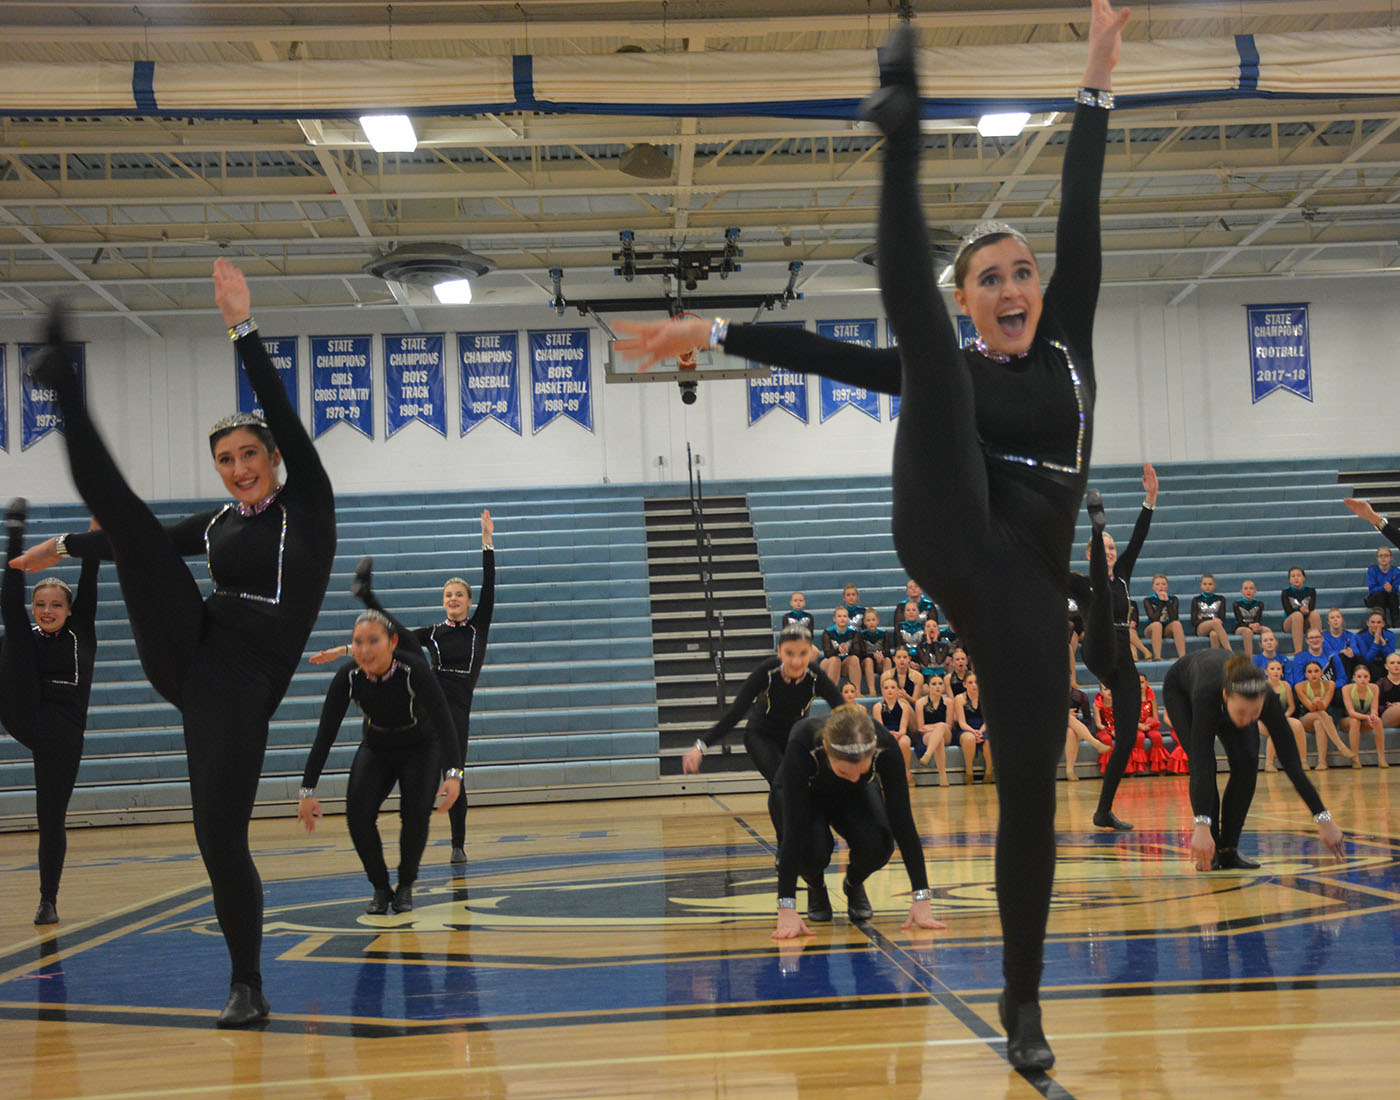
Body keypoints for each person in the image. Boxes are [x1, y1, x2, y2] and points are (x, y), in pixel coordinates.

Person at [615, 0, 1129, 1068]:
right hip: (947, 533)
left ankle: (1022, 1004)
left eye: (1017, 272)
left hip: (1028, 592)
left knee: (1029, 791)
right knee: (925, 359)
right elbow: (816, 350)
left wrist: (1096, 71)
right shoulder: (953, 361)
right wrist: (706, 329)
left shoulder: (1068, 347)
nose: (1010, 286)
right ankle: (901, 136)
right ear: (972, 295)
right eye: (986, 276)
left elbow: (1079, 204)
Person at [11, 261, 337, 1028]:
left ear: (274, 461)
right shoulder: (221, 524)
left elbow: (284, 414)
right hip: (188, 651)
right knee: (123, 525)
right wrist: (62, 544)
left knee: (218, 840)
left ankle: (247, 986)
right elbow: (150, 543)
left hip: (240, 684)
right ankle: (63, 386)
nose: (238, 472)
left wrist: (242, 326)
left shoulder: (309, 506)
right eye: (226, 462)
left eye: (249, 457)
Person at [311, 514, 495, 866]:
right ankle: (368, 598)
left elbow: (491, 584)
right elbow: (390, 645)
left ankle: (458, 843)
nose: (453, 598)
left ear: (469, 602)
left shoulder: (477, 628)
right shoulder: (435, 631)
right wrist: (344, 651)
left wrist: (487, 542)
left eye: (459, 594)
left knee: (455, 772)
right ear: (443, 601)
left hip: (458, 706)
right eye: (448, 595)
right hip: (432, 696)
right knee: (407, 641)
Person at [298, 563, 462, 915]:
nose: (364, 649)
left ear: (392, 643)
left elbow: (446, 723)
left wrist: (453, 775)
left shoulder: (412, 669)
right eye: (357, 643)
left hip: (421, 747)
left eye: (373, 641)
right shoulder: (348, 677)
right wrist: (307, 791)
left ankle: (405, 886)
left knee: (414, 816)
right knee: (357, 815)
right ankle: (379, 887)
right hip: (378, 747)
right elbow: (325, 734)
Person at [0, 501, 100, 926]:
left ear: (69, 609)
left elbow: (90, 574)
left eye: (55, 605)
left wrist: (97, 529)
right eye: (40, 603)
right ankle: (15, 528)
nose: (46, 610)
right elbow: (11, 596)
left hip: (62, 729)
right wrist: (17, 534)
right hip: (25, 713)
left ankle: (47, 899)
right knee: (12, 637)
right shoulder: (29, 632)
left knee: (50, 816)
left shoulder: (82, 631)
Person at [768, 706, 946, 936]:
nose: (853, 778)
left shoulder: (885, 745)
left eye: (861, 771)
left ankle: (853, 883)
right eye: (845, 772)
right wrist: (786, 907)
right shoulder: (802, 740)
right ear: (827, 752)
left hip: (852, 797)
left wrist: (922, 897)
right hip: (804, 794)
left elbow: (903, 822)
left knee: (880, 842)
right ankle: (815, 883)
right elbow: (792, 832)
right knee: (810, 850)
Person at [1164, 651, 1345, 873]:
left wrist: (1323, 818)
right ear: (1225, 695)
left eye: (1254, 713)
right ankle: (1209, 847)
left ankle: (1228, 850)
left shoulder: (1265, 696)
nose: (1246, 720)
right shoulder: (1207, 694)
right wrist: (1201, 825)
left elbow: (1291, 764)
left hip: (1226, 694)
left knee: (1248, 763)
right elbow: (1201, 763)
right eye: (1241, 712)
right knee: (1205, 763)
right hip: (1182, 691)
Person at [1066, 462, 1157, 830]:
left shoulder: (1123, 575)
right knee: (1099, 592)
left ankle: (1103, 809)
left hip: (1122, 659)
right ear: (1090, 554)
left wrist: (1150, 497)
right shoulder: (1079, 582)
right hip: (1097, 647)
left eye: (1111, 545)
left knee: (1129, 737)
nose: (1109, 551)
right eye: (1102, 545)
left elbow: (1139, 537)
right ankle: (1095, 520)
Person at [683, 624, 844, 788]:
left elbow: (842, 710)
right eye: (789, 653)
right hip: (761, 736)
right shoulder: (767, 672)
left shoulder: (815, 676)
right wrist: (700, 746)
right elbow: (735, 713)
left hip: (795, 737)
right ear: (780, 651)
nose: (796, 661)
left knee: (810, 782)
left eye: (803, 654)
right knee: (783, 782)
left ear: (811, 652)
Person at [1293, 658, 1352, 770]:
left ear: (1322, 672)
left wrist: (1318, 702)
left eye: (1316, 671)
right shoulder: (1299, 686)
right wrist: (1315, 703)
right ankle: (1340, 746)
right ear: (1305, 674)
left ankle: (1322, 762)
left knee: (1319, 722)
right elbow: (1310, 708)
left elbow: (1324, 706)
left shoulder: (1330, 684)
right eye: (1309, 672)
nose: (1313, 674)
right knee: (1320, 715)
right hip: (1306, 719)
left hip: (1322, 717)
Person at [1261, 658, 1308, 773]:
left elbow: (1291, 706)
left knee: (1297, 724)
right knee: (1276, 728)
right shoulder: (1261, 686)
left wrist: (1284, 716)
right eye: (1272, 669)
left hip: (1282, 717)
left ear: (1282, 672)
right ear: (1266, 672)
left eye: (1278, 669)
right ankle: (1269, 763)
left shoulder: (1286, 685)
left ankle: (1302, 760)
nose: (1276, 671)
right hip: (1262, 720)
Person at [1339, 662, 1385, 770]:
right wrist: (1367, 717)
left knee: (1378, 721)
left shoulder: (1374, 688)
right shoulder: (1346, 689)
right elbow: (1351, 712)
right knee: (1355, 720)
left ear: (1369, 678)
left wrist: (1373, 715)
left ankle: (1381, 758)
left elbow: (1374, 708)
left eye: (1365, 677)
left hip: (1364, 719)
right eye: (1359, 677)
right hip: (1347, 721)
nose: (1362, 679)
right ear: (1354, 678)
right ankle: (1355, 759)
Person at [871, 676, 914, 782]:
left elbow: (903, 728)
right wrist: (889, 734)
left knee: (905, 742)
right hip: (884, 733)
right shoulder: (877, 707)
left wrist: (899, 734)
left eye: (892, 687)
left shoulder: (904, 706)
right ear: (882, 691)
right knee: (883, 743)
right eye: (886, 688)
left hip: (899, 733)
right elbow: (880, 727)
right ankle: (884, 775)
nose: (889, 690)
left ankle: (906, 772)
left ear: (898, 690)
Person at [1064, 682, 1109, 783]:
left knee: (1071, 731)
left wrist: (1075, 722)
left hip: (1075, 728)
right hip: (1055, 729)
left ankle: (1069, 771)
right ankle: (1095, 743)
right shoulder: (1051, 695)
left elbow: (1088, 720)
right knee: (1067, 717)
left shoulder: (1080, 696)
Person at [917, 671, 956, 785]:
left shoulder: (948, 702)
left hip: (947, 733)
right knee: (939, 739)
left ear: (944, 687)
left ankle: (928, 753)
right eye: (934, 684)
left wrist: (938, 727)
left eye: (940, 684)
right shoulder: (920, 703)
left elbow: (948, 725)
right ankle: (943, 777)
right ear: (928, 687)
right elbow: (920, 727)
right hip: (927, 736)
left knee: (942, 728)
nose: (937, 686)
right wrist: (938, 727)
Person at [954, 671, 992, 785]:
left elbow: (987, 720)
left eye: (976, 682)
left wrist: (980, 731)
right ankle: (969, 771)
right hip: (966, 728)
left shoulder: (985, 697)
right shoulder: (959, 698)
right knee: (969, 738)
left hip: (983, 727)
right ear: (964, 684)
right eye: (970, 682)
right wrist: (973, 732)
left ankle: (989, 771)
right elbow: (961, 722)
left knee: (988, 740)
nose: (974, 685)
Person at [1143, 574, 1187, 661]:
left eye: (1163, 584)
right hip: (1151, 629)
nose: (1161, 587)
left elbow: (1174, 618)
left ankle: (1183, 657)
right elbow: (1153, 618)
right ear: (1153, 587)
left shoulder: (1173, 599)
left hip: (1166, 629)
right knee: (1157, 625)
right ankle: (1157, 656)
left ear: (1167, 586)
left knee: (1177, 624)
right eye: (1157, 584)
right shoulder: (1148, 600)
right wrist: (1161, 602)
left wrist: (1167, 602)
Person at [820, 606, 862, 691]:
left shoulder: (853, 632)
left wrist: (848, 650)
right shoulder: (828, 632)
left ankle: (857, 691)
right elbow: (827, 654)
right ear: (834, 619)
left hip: (845, 665)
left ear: (848, 618)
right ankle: (831, 692)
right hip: (829, 664)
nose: (842, 619)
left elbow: (858, 652)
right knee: (835, 660)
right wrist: (838, 650)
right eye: (839, 616)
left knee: (854, 659)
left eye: (845, 616)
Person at [1280, 567, 1321, 655]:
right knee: (1297, 615)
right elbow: (1288, 611)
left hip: (1305, 621)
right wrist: (1300, 610)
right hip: (1290, 622)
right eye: (1293, 576)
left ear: (1304, 578)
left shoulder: (1311, 591)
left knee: (1314, 614)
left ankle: (1318, 647)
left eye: (1298, 575)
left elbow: (1311, 608)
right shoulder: (1286, 592)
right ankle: (1298, 651)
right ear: (1289, 580)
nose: (1296, 578)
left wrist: (1306, 611)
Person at [1190, 574, 1233, 651]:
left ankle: (1214, 659)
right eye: (1205, 584)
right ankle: (1229, 651)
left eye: (1210, 584)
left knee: (1214, 634)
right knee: (1215, 623)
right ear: (1201, 586)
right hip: (1201, 628)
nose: (1207, 586)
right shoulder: (1196, 600)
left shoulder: (1221, 599)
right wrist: (1211, 619)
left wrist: (1203, 618)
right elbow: (1193, 621)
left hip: (1215, 627)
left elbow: (1222, 618)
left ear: (1214, 585)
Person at [1354, 609, 1396, 680]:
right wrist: (1376, 642)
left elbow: (1390, 657)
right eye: (1372, 622)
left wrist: (1382, 642)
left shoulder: (1390, 635)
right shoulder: (1360, 637)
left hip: (1384, 665)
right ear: (1368, 623)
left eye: (1379, 622)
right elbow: (1367, 660)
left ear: (1383, 624)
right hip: (1369, 667)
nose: (1375, 625)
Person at [779, 591, 821, 662]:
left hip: (805, 642)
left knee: (815, 651)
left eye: (801, 600)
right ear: (791, 603)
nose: (798, 602)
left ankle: (807, 669)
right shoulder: (786, 617)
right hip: (791, 641)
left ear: (804, 603)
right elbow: (785, 633)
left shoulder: (809, 616)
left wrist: (805, 642)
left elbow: (810, 633)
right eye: (795, 600)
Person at [1366, 544, 1400, 627]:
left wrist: (1390, 589)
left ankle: (1396, 621)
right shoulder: (1372, 570)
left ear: (1391, 558)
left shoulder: (1396, 571)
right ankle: (1382, 621)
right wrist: (1383, 588)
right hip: (1376, 598)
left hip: (1390, 598)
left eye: (1386, 555)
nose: (1383, 558)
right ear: (1377, 558)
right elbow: (1372, 589)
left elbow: (1395, 588)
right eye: (1380, 556)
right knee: (1381, 594)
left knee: (1392, 594)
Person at [857, 608, 890, 696]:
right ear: (864, 622)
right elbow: (862, 653)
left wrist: (881, 657)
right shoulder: (861, 634)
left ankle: (886, 688)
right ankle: (872, 690)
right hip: (867, 663)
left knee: (888, 660)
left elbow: (888, 652)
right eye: (868, 620)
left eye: (873, 620)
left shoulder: (883, 633)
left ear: (877, 621)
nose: (871, 622)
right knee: (868, 660)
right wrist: (874, 655)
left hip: (880, 662)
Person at [1321, 608, 1360, 677]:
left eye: (1338, 617)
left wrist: (1351, 652)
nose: (1335, 620)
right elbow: (1328, 653)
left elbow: (1356, 650)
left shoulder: (1350, 635)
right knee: (1341, 657)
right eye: (1332, 618)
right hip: (1331, 665)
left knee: (1359, 658)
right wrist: (1341, 652)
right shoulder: (1323, 637)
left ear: (1342, 620)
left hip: (1348, 663)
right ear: (1328, 622)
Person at [1233, 580, 1265, 657]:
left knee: (1267, 630)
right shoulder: (1237, 604)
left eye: (1251, 588)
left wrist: (1256, 625)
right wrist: (1250, 626)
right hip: (1241, 628)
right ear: (1241, 591)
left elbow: (1257, 619)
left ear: (1255, 591)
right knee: (1247, 632)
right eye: (1246, 588)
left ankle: (1267, 655)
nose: (1248, 591)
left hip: (1254, 626)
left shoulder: (1260, 604)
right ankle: (1249, 656)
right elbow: (1240, 621)